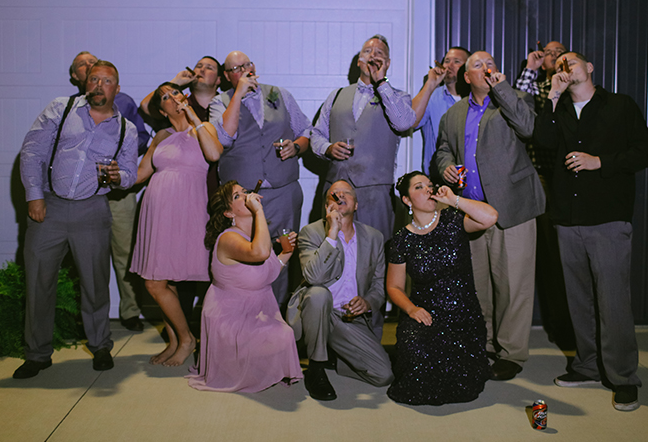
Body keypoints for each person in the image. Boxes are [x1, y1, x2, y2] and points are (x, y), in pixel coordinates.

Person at [534, 52, 648, 411]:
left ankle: (623, 377)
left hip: (607, 217)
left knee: (612, 301)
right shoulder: (558, 108)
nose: (564, 66)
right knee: (579, 300)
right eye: (559, 65)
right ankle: (587, 366)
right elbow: (542, 141)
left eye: (571, 61)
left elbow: (645, 152)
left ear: (589, 68)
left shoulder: (619, 105)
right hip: (567, 218)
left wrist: (599, 162)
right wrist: (553, 95)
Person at [15, 60, 138, 378]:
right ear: (86, 83)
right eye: (94, 79)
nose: (99, 85)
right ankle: (37, 354)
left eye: (107, 81)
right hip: (50, 207)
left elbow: (130, 174)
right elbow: (32, 151)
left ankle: (100, 346)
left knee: (95, 284)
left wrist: (119, 177)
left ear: (117, 89)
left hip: (92, 210)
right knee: (39, 283)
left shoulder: (126, 129)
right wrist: (34, 196)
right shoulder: (61, 108)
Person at [435, 51, 545, 381]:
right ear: (467, 77)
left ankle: (511, 353)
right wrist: (446, 167)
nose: (486, 67)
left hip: (513, 208)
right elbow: (443, 149)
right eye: (478, 65)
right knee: (477, 287)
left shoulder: (515, 98)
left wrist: (502, 89)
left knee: (513, 286)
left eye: (491, 63)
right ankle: (483, 344)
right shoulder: (453, 114)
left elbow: (528, 128)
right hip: (473, 211)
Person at [129, 83, 222, 366]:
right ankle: (175, 341)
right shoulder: (160, 136)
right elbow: (140, 174)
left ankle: (186, 339)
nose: (173, 98)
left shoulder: (204, 128)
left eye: (176, 93)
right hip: (157, 212)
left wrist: (194, 118)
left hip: (187, 210)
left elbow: (214, 155)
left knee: (156, 283)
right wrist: (113, 174)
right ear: (161, 110)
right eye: (166, 97)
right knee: (159, 279)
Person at [386, 171, 498, 405]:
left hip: (463, 316)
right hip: (426, 315)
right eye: (418, 187)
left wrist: (453, 200)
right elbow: (394, 287)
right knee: (415, 352)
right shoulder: (401, 240)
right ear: (406, 200)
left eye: (429, 185)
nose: (428, 189)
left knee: (461, 378)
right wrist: (411, 309)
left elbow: (490, 217)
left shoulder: (453, 220)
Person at [209, 51, 311, 306]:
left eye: (247, 65)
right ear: (226, 76)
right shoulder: (220, 102)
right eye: (236, 69)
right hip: (242, 201)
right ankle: (248, 316)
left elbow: (306, 131)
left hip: (283, 192)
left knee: (284, 251)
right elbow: (223, 138)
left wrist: (296, 147)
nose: (245, 71)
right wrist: (238, 94)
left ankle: (278, 316)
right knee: (248, 258)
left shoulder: (279, 94)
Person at [188, 181, 302, 392]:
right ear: (229, 213)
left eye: (245, 192)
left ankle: (251, 364)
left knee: (286, 334)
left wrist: (286, 252)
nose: (246, 196)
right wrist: (258, 211)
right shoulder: (228, 238)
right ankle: (235, 363)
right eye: (237, 196)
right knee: (282, 336)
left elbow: (267, 273)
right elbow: (259, 253)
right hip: (231, 319)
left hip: (257, 313)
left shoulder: (256, 235)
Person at [287, 180, 394, 401]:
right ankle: (316, 368)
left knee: (383, 375)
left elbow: (378, 286)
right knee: (319, 294)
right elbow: (313, 278)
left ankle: (336, 355)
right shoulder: (311, 233)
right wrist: (332, 233)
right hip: (316, 312)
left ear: (356, 204)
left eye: (347, 193)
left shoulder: (374, 237)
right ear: (327, 205)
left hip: (347, 318)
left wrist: (367, 302)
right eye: (334, 194)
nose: (340, 196)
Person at [69, 51, 150, 332]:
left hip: (118, 194)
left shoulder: (123, 101)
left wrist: (117, 150)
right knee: (87, 257)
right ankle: (88, 316)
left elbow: (142, 137)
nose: (90, 65)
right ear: (76, 77)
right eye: (83, 65)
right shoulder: (69, 109)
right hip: (83, 195)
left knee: (125, 252)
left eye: (93, 61)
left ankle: (130, 310)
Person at [310, 35, 416, 240]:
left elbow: (404, 123)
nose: (373, 55)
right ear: (359, 61)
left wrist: (381, 83)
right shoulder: (336, 95)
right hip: (336, 188)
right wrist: (327, 148)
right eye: (368, 51)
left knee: (376, 249)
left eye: (379, 53)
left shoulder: (398, 97)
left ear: (387, 63)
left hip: (376, 192)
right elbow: (316, 134)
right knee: (333, 247)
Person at [514, 41, 576, 349]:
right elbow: (514, 102)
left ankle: (572, 326)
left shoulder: (573, 89)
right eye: (548, 52)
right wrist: (531, 67)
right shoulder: (539, 88)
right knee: (549, 257)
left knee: (568, 257)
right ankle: (559, 326)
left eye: (559, 51)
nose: (553, 55)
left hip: (572, 176)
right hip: (542, 178)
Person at [411, 46, 471, 179]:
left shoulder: (475, 100)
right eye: (447, 61)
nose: (449, 65)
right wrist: (430, 84)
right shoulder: (431, 97)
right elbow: (410, 121)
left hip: (470, 177)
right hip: (437, 177)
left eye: (456, 62)